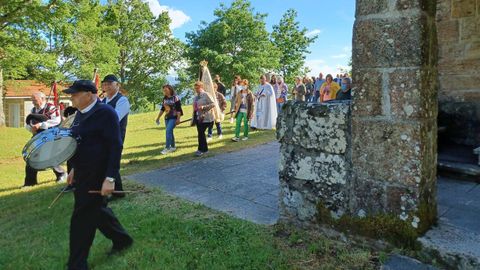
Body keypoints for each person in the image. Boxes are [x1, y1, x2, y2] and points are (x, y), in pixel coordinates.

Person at [63, 80, 133, 270]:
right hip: (83, 172)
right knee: (97, 211)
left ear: (89, 94)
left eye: (75, 94)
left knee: (82, 217)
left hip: (98, 173)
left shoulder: (105, 113)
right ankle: (122, 239)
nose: (72, 98)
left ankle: (77, 264)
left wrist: (110, 178)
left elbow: (115, 146)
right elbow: (80, 143)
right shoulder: (79, 114)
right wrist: (74, 169)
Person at [23, 91, 67, 187]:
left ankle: (61, 174)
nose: (33, 102)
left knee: (49, 156)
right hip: (37, 136)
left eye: (35, 100)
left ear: (42, 99)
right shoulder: (33, 110)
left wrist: (41, 125)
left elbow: (56, 120)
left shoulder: (51, 108)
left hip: (50, 135)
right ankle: (30, 182)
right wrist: (32, 128)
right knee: (31, 156)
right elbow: (29, 122)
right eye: (32, 100)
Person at [101, 74, 130, 197]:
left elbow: (115, 119)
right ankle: (113, 190)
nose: (106, 85)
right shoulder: (103, 101)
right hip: (103, 136)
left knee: (112, 161)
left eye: (109, 83)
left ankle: (118, 191)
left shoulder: (122, 100)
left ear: (117, 85)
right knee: (105, 161)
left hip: (116, 136)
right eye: (105, 83)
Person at [155, 85, 183, 154]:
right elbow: (162, 109)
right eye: (164, 91)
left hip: (174, 117)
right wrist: (158, 118)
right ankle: (173, 147)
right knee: (170, 132)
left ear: (170, 90)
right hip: (167, 117)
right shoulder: (164, 99)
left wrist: (178, 119)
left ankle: (167, 148)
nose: (165, 92)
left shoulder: (175, 98)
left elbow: (179, 109)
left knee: (168, 131)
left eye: (166, 90)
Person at [191, 81, 215, 157]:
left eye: (198, 88)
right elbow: (194, 108)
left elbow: (213, 104)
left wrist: (203, 107)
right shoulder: (195, 97)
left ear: (202, 87)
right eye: (195, 88)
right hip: (198, 118)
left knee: (201, 133)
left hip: (206, 118)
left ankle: (201, 149)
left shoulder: (206, 94)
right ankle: (203, 149)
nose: (196, 90)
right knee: (200, 134)